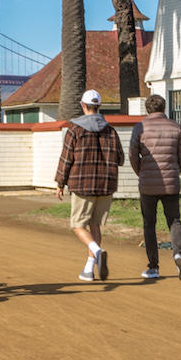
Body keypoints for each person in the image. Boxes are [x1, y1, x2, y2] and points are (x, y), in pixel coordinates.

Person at [54, 90, 125, 282]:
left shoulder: (74, 129)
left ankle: (97, 251)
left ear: (83, 105)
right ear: (99, 106)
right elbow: (120, 159)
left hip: (82, 184)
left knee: (78, 225)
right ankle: (88, 269)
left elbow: (66, 158)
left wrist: (60, 182)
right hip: (106, 184)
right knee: (95, 226)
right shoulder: (111, 130)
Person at [129, 94, 181, 281]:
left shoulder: (140, 127)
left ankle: (153, 266)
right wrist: (175, 171)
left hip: (148, 182)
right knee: (174, 220)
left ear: (147, 109)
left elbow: (133, 154)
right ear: (164, 108)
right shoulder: (175, 127)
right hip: (171, 181)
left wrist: (141, 172)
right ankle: (178, 254)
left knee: (150, 224)